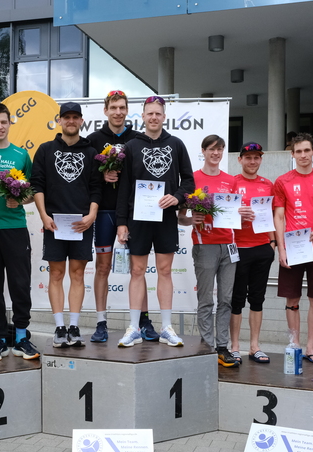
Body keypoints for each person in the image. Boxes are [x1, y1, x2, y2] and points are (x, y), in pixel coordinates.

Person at [115, 95, 195, 347]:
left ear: (164, 116)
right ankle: (133, 327)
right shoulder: (131, 146)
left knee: (165, 270)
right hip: (137, 219)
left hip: (165, 218)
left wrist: (177, 197)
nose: (153, 117)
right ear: (142, 116)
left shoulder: (176, 144)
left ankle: (167, 327)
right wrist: (121, 222)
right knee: (137, 271)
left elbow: (189, 181)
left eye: (158, 113)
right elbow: (124, 187)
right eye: (149, 113)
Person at [86, 90, 158, 343]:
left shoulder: (137, 138)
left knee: (138, 269)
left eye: (122, 108)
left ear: (128, 111)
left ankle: (144, 321)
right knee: (103, 267)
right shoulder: (93, 139)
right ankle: (101, 322)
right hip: (105, 212)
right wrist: (102, 174)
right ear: (105, 110)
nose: (118, 112)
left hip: (134, 213)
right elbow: (86, 177)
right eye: (113, 108)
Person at [31, 102, 102, 348]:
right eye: (66, 117)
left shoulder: (91, 152)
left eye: (75, 117)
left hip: (82, 224)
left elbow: (97, 187)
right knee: (56, 274)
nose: (71, 121)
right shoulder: (45, 150)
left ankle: (74, 326)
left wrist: (92, 215)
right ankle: (59, 327)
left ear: (81, 121)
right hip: (54, 224)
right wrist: (43, 216)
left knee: (78, 274)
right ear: (59, 120)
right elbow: (37, 184)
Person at [0, 103, 39, 361]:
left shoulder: (21, 154)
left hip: (15, 228)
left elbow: (33, 191)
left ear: (10, 123)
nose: (0, 126)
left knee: (20, 284)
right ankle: (0, 339)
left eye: (4, 122)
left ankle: (22, 337)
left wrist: (20, 199)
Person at [178, 135, 239, 367]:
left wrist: (242, 213)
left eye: (220, 149)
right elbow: (180, 217)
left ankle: (222, 347)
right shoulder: (193, 179)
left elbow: (234, 213)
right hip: (205, 245)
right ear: (203, 151)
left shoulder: (230, 180)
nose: (216, 153)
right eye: (212, 149)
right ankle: (207, 346)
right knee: (205, 300)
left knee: (226, 300)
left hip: (229, 245)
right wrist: (191, 220)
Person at [273, 133, 313, 364]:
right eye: (299, 151)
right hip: (293, 245)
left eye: (307, 150)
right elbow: (278, 217)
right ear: (292, 154)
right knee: (292, 298)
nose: (303, 155)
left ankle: (310, 347)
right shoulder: (283, 181)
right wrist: (281, 249)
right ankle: (294, 345)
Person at [230, 142, 275, 364]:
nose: (252, 161)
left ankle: (255, 346)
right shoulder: (232, 183)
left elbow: (273, 215)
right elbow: (223, 215)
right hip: (238, 248)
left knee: (258, 299)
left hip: (262, 248)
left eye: (256, 157)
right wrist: (237, 214)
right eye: (248, 157)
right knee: (236, 299)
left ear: (261, 160)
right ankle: (235, 346)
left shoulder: (268, 184)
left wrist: (273, 243)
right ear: (240, 160)